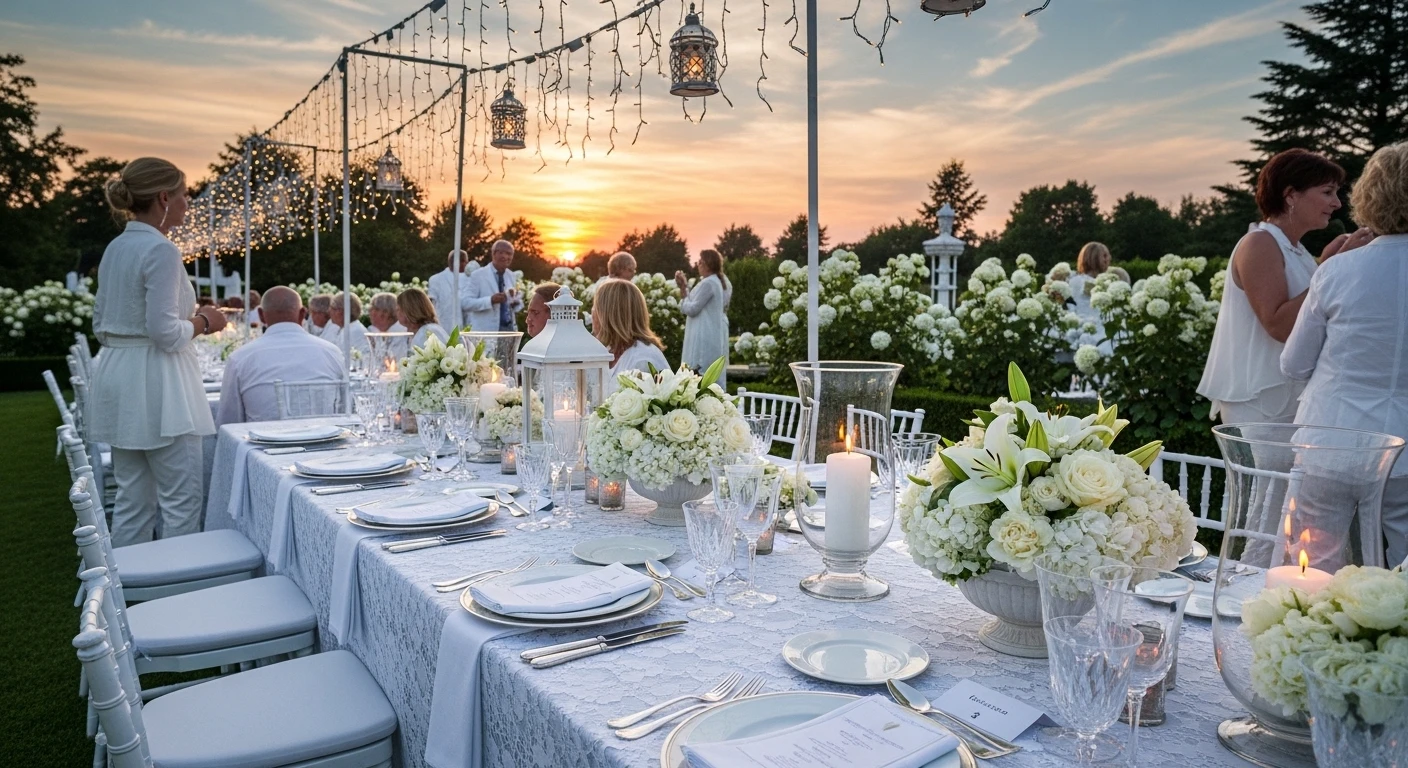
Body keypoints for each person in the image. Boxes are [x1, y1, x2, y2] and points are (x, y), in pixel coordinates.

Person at [89, 157, 227, 545]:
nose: (188, 203)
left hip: (119, 374)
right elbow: (165, 333)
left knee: (133, 499)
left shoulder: (116, 248)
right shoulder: (161, 250)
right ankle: (174, 595)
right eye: (185, 195)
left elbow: (100, 325)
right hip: (160, 383)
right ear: (164, 198)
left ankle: (127, 594)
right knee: (181, 501)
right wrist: (205, 321)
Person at [1282, 141, 1407, 563]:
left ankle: (1308, 630)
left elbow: (1294, 363)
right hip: (1405, 449)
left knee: (1312, 565)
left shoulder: (1337, 270)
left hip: (1330, 438)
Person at [1198, 148, 1369, 423]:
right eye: (1327, 192)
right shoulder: (1260, 243)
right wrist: (1331, 267)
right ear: (1291, 195)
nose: (1337, 203)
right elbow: (1279, 325)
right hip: (1262, 402)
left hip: (1287, 395)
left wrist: (1330, 262)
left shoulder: (1296, 250)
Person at [216, 286, 343, 425]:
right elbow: (344, 410)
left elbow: (228, 422)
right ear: (302, 314)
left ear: (261, 314)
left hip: (263, 445)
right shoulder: (332, 353)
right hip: (325, 442)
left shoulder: (239, 358)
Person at [593, 279, 669, 394]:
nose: (593, 315)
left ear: (609, 315)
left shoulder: (643, 359)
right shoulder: (610, 350)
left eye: (596, 309)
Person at [675, 248, 731, 386]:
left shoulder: (709, 283)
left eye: (700, 262)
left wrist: (683, 296)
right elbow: (694, 301)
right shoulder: (715, 281)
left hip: (702, 338)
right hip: (708, 335)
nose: (698, 265)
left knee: (699, 376)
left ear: (707, 264)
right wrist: (684, 287)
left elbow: (692, 308)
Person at [465, 239, 524, 332]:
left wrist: (514, 302)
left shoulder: (511, 275)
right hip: (486, 332)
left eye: (509, 254)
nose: (505, 256)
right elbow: (466, 303)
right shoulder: (478, 275)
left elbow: (514, 306)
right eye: (501, 252)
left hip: (508, 330)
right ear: (493, 254)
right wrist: (490, 300)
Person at [427, 249, 477, 330]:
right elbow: (430, 303)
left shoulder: (470, 279)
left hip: (466, 326)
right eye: (466, 262)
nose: (467, 265)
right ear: (459, 262)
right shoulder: (436, 279)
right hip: (443, 326)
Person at [327, 291, 370, 357]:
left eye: (333, 308)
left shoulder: (352, 331)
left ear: (342, 311)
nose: (329, 311)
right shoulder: (348, 328)